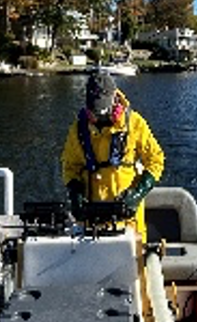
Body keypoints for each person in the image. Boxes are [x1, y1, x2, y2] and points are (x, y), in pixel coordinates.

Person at [61, 69, 165, 240]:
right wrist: (75, 194)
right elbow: (70, 167)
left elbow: (156, 160)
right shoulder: (78, 129)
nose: (97, 116)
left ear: (114, 98)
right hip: (91, 222)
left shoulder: (134, 123)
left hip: (127, 220)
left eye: (102, 109)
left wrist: (137, 194)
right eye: (93, 110)